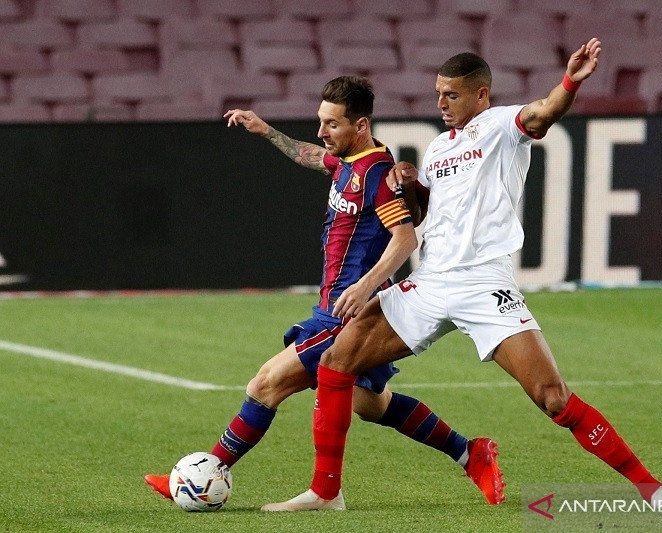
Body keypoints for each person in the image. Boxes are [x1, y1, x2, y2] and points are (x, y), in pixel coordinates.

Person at [263, 40, 662, 512]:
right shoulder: (436, 150)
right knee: (337, 359)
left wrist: (570, 80)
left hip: (485, 285)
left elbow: (544, 113)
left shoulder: (501, 126)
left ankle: (654, 491)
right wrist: (410, 186)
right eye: (438, 94)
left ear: (481, 96)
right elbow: (424, 214)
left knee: (553, 399)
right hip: (431, 283)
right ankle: (327, 492)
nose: (441, 104)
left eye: (451, 95)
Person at [143, 76, 505, 510]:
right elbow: (314, 156)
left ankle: (206, 476)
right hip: (337, 307)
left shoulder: (375, 173)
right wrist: (266, 131)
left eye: (331, 124)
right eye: (320, 121)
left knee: (264, 384)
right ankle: (470, 453)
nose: (321, 132)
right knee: (371, 406)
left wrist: (364, 285)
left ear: (361, 125)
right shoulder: (349, 160)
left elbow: (406, 238)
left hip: (345, 314)